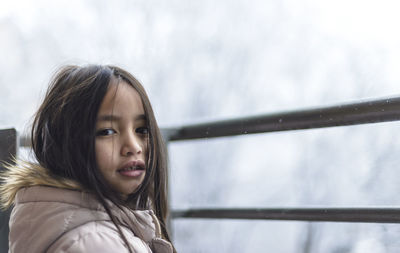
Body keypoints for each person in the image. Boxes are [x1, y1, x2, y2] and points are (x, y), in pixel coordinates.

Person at [0, 65, 176, 252]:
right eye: (107, 131)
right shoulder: (94, 243)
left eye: (142, 130)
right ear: (67, 142)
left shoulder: (59, 222)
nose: (134, 146)